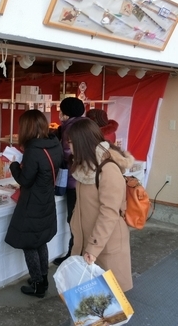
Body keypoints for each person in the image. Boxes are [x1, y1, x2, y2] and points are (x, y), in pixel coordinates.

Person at [67, 119, 134, 292]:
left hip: (105, 244)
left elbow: (109, 213)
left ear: (82, 143)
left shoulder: (108, 168)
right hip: (88, 242)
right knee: (89, 302)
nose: (69, 146)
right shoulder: (85, 167)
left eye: (71, 142)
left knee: (108, 304)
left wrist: (93, 247)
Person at [4, 109, 63, 298]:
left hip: (32, 203)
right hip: (46, 199)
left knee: (30, 244)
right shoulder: (54, 144)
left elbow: (25, 180)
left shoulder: (32, 150)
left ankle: (37, 285)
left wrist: (13, 164)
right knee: (40, 242)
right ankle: (43, 278)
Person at [53, 97, 87, 266]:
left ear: (66, 114)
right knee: (82, 218)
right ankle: (79, 252)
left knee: (73, 219)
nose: (59, 114)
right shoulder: (86, 125)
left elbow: (67, 154)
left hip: (73, 181)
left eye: (61, 111)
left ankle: (74, 255)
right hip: (86, 180)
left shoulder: (69, 130)